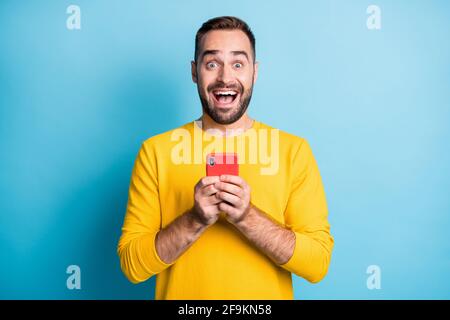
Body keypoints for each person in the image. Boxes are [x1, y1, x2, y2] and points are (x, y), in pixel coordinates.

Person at [117, 16, 334, 300]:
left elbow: (317, 264)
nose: (225, 78)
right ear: (195, 72)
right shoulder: (155, 152)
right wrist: (195, 219)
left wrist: (246, 216)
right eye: (211, 64)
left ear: (254, 72)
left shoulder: (293, 151)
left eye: (238, 64)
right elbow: (132, 266)